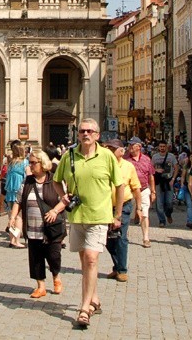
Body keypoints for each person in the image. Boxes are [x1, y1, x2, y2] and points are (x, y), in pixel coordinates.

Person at [52, 118, 124, 329]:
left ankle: (84, 309)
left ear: (97, 135)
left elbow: (119, 186)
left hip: (99, 216)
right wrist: (64, 196)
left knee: (91, 259)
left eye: (90, 131)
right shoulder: (69, 156)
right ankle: (95, 298)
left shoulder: (107, 156)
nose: (85, 134)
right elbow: (56, 180)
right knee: (85, 261)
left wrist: (117, 214)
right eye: (82, 131)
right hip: (77, 216)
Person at [8, 148, 64, 298]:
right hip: (32, 226)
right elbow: (18, 201)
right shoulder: (27, 181)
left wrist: (55, 211)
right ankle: (40, 286)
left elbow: (65, 199)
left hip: (51, 227)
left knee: (53, 255)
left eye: (33, 163)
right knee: (36, 257)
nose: (30, 166)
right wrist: (13, 217)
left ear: (42, 163)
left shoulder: (54, 180)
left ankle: (56, 277)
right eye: (30, 163)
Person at [104, 139, 141, 283]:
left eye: (114, 149)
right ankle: (117, 265)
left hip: (124, 206)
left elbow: (136, 187)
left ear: (121, 151)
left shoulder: (128, 166)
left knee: (121, 237)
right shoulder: (104, 165)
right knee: (106, 239)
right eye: (109, 149)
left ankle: (122, 270)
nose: (111, 152)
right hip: (105, 206)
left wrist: (139, 207)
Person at [125, 136, 155, 247]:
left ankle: (146, 238)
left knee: (145, 214)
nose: (130, 147)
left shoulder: (146, 159)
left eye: (132, 145)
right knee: (128, 214)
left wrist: (153, 192)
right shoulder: (125, 158)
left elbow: (151, 176)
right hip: (130, 190)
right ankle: (124, 236)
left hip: (143, 190)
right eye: (129, 145)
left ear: (139, 147)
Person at [3, 141, 29, 248]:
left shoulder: (10, 162)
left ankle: (11, 239)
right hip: (19, 192)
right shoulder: (24, 163)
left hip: (10, 192)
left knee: (11, 216)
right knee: (18, 217)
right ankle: (16, 240)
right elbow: (29, 177)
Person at [152, 141, 178, 228]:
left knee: (169, 202)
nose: (162, 148)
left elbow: (176, 167)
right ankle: (162, 220)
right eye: (161, 146)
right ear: (158, 147)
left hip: (169, 181)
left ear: (166, 147)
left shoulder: (171, 156)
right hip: (159, 182)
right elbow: (151, 168)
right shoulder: (155, 157)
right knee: (159, 203)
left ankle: (168, 214)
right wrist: (156, 170)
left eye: (164, 146)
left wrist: (173, 179)